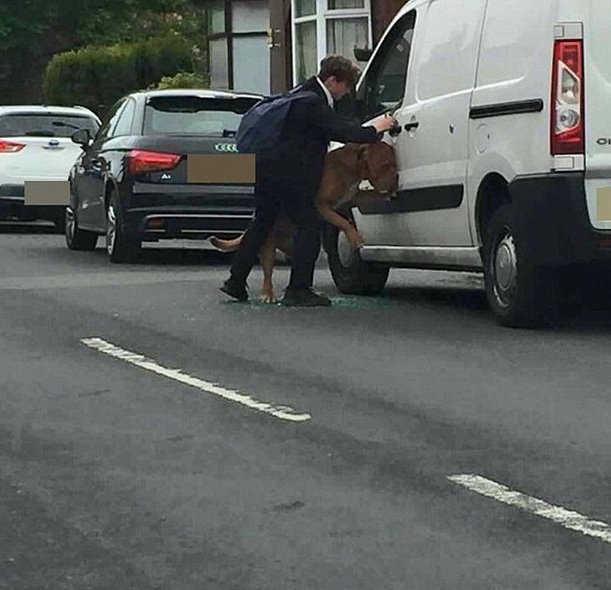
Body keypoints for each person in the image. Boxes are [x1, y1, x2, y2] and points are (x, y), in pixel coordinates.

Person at [220, 55, 397, 307]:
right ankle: (298, 289)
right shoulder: (313, 101)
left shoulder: (299, 93)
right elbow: (342, 131)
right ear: (334, 80)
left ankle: (235, 281)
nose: (346, 93)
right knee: (310, 225)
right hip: (292, 174)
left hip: (266, 168)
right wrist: (376, 128)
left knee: (262, 223)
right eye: (346, 87)